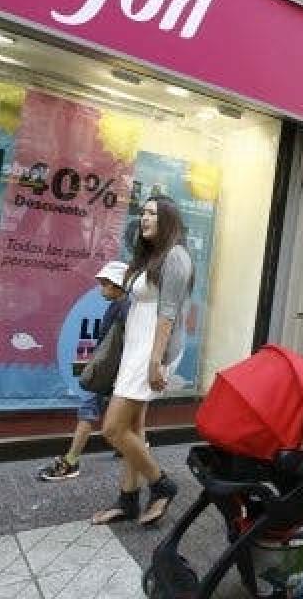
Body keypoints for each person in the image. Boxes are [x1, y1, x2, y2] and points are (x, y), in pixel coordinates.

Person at [96, 195, 194, 526]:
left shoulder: (176, 256)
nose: (144, 218)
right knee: (133, 428)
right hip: (135, 348)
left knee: (112, 428)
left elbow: (168, 314)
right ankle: (127, 500)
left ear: (167, 219)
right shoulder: (151, 255)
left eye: (152, 213)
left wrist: (155, 362)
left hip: (151, 351)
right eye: (143, 213)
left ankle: (161, 484)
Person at [37, 261, 130, 481]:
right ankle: (132, 446)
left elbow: (121, 344)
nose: (101, 288)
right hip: (115, 371)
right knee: (125, 414)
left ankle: (71, 461)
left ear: (117, 284)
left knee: (89, 410)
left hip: (109, 372)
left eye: (105, 284)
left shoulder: (123, 308)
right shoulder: (123, 305)